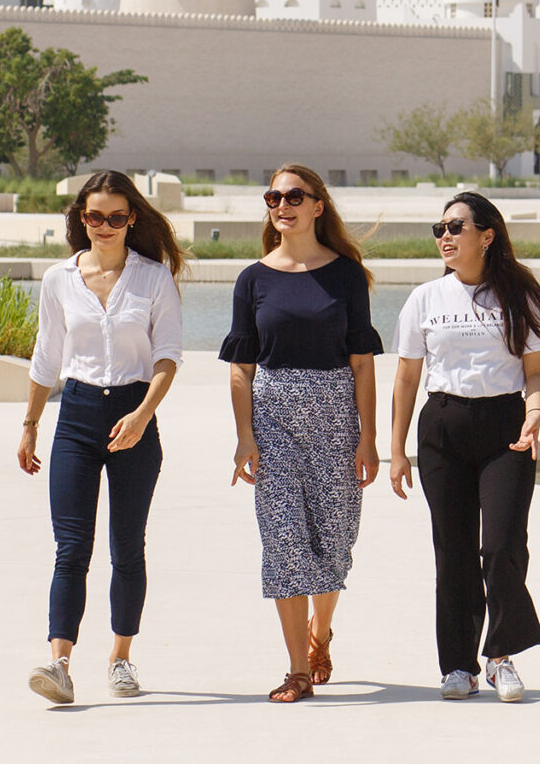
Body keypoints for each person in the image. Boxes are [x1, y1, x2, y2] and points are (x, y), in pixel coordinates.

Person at [20, 170, 185, 705]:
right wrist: (30, 424)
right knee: (71, 548)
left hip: (135, 415)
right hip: (78, 417)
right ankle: (59, 663)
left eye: (117, 216)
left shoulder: (154, 278)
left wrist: (141, 415)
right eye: (96, 216)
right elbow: (46, 358)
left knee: (126, 548)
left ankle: (120, 658)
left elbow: (168, 357)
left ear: (132, 218)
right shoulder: (58, 279)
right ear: (81, 219)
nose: (107, 226)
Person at [388, 190, 540, 703]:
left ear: (487, 235)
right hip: (442, 427)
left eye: (455, 227)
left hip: (506, 427)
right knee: (453, 551)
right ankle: (457, 665)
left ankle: (501, 656)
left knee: (502, 545)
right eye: (439, 229)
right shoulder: (425, 298)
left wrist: (533, 420)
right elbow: (406, 379)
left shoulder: (520, 296)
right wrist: (395, 450)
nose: (444, 237)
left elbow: (536, 375)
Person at [223, 164, 381, 703]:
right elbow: (241, 368)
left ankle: (320, 632)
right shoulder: (253, 280)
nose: (282, 204)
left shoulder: (346, 275)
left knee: (334, 543)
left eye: (295, 195)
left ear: (318, 205)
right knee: (284, 544)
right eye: (274, 196)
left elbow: (363, 363)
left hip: (337, 419)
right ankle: (296, 669)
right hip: (273, 421)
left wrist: (369, 437)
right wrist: (245, 436)